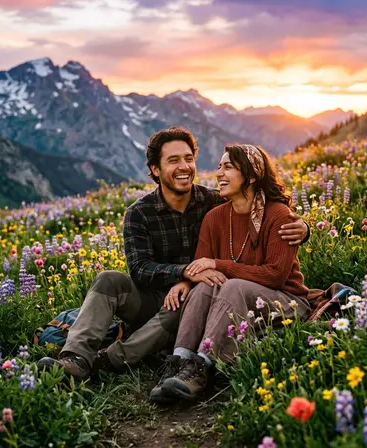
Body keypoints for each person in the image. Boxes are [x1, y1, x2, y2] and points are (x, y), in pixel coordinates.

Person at [37, 127, 309, 381]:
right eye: (173, 160)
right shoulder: (139, 213)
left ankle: (107, 361)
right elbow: (140, 270)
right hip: (157, 294)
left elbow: (256, 204)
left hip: (197, 299)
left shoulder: (213, 202)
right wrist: (183, 273)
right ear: (156, 170)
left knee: (180, 304)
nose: (184, 167)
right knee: (109, 279)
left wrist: (303, 227)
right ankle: (75, 357)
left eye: (189, 159)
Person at [151, 143, 311, 403]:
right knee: (203, 286)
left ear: (251, 175)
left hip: (286, 301)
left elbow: (275, 276)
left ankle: (202, 366)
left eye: (228, 167)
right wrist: (187, 278)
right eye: (218, 167)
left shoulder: (278, 215)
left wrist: (220, 265)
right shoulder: (214, 218)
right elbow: (201, 267)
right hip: (238, 299)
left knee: (233, 285)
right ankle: (180, 361)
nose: (219, 174)